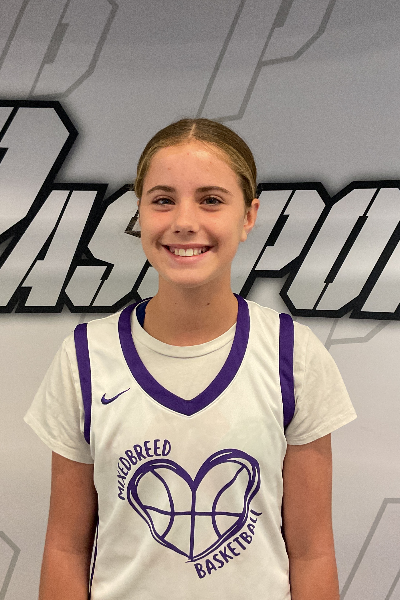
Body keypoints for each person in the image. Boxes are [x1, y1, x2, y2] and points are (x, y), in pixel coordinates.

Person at [25, 118, 356, 600]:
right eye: (162, 200)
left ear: (249, 216)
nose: (184, 220)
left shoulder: (294, 355)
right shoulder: (86, 356)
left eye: (211, 200)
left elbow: (312, 554)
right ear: (140, 212)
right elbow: (65, 550)